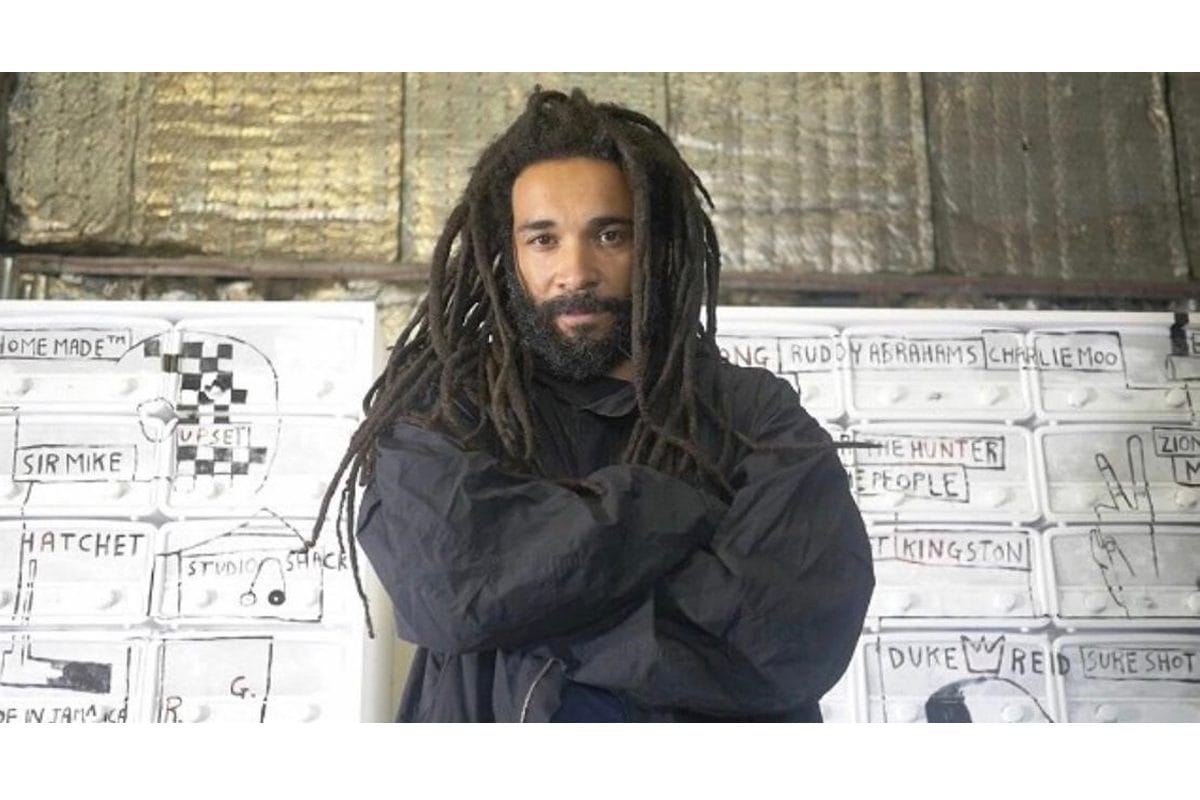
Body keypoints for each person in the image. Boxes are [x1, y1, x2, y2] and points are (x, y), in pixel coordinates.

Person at [316, 87, 874, 722]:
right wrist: (664, 508)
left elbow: (786, 638)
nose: (575, 270)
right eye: (543, 240)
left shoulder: (752, 415)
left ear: (655, 246)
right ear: (508, 255)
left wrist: (529, 619)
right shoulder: (449, 403)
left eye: (609, 235)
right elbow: (455, 588)